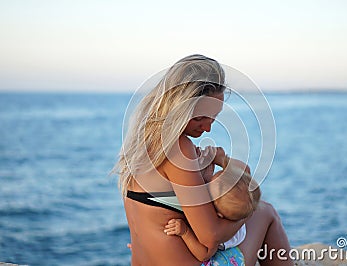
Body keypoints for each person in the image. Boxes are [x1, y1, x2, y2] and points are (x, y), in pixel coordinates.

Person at [116, 54, 293, 265]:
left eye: (214, 118)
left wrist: (220, 160)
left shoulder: (140, 142)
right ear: (177, 106)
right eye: (200, 118)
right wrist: (250, 208)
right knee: (266, 212)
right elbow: (211, 237)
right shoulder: (178, 148)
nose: (208, 128)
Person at [164, 146, 261, 265]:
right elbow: (245, 173)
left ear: (217, 214)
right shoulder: (232, 209)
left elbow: (204, 254)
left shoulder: (217, 227)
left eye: (207, 187)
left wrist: (185, 232)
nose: (208, 181)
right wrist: (222, 160)